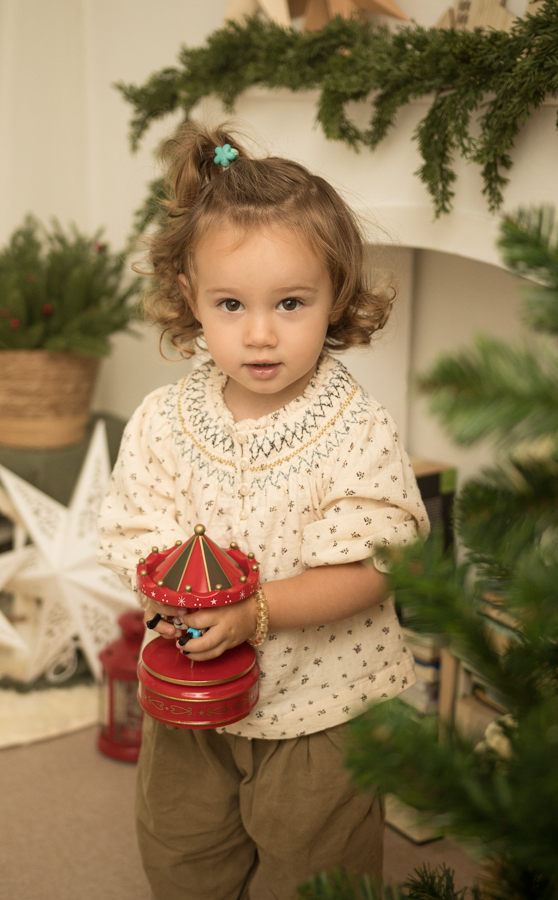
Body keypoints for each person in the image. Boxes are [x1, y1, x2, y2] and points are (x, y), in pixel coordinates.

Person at [97, 122, 429, 900]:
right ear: (192, 300)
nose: (259, 332)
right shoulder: (162, 421)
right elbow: (134, 533)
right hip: (189, 704)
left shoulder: (355, 427)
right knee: (183, 851)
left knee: (317, 866)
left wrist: (255, 613)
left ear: (336, 295)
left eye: (289, 302)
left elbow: (372, 565)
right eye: (230, 303)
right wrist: (169, 600)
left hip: (320, 706)